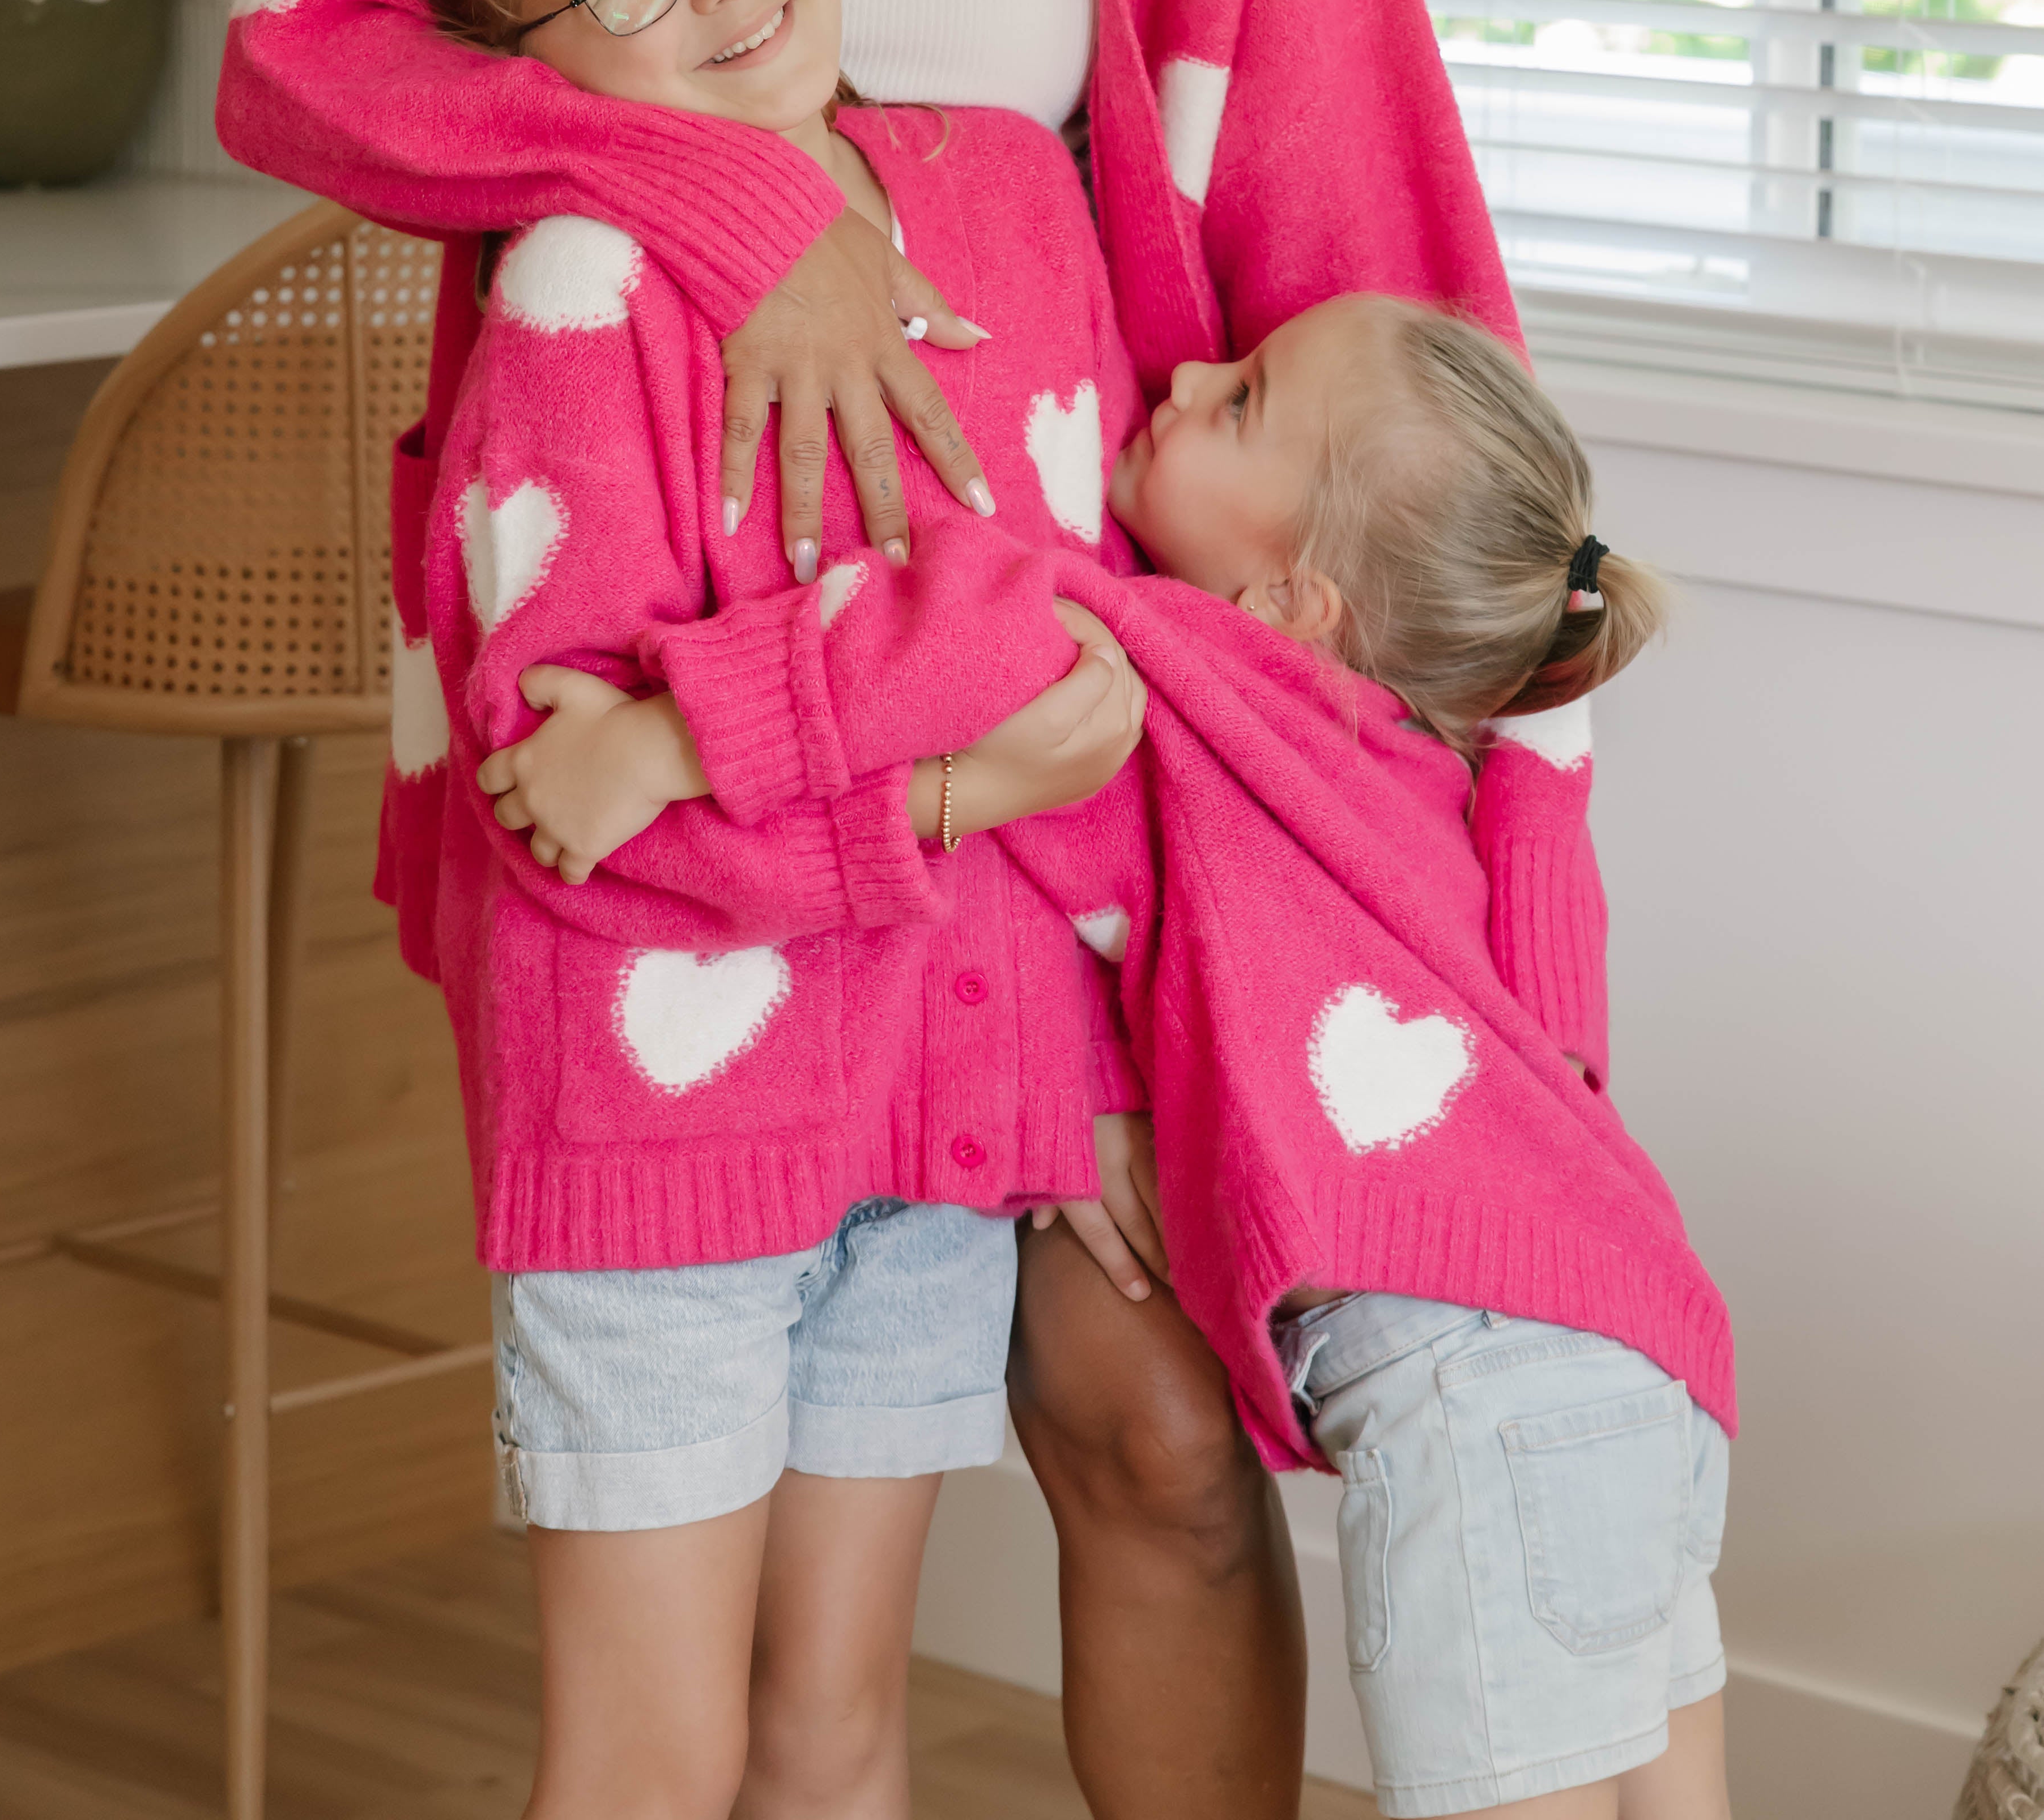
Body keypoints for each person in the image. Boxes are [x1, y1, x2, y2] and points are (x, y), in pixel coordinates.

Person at [219, 0, 1515, 1814]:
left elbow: (1350, 242)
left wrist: (1398, 776)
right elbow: (299, 27)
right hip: (660, 726)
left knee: (1154, 1430)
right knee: (729, 1459)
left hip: (1059, 708)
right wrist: (726, 203)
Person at [513, 288, 1735, 1820]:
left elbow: (937, 625)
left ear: (1293, 600)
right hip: (1642, 1326)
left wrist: (657, 743)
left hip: (1471, 1382)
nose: (1193, 370)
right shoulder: (1427, 748)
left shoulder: (1161, 659)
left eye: (1242, 405)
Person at [350, 0, 1155, 1819]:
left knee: (837, 1733)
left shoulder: (1003, 190)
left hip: (934, 1107)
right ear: (528, 62)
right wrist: (941, 780)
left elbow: (1054, 622)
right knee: (647, 1764)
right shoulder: (579, 283)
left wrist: (704, 724)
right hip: (657, 1134)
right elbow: (566, 822)